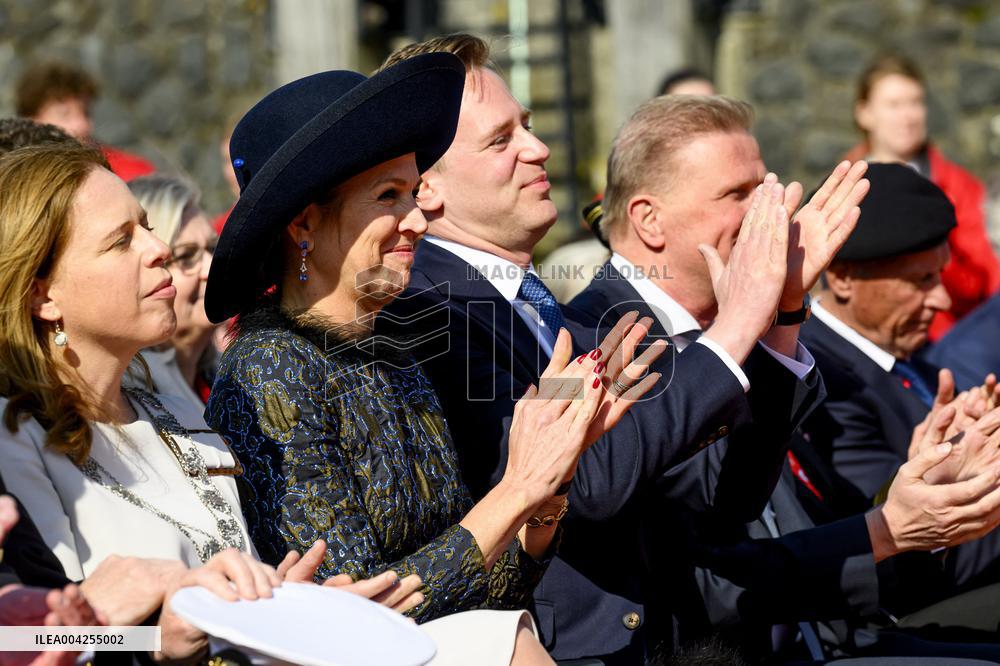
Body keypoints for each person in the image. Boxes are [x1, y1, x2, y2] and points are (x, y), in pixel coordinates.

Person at [372, 34, 859, 663]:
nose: (539, 149)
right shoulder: (430, 310)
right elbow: (581, 485)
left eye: (529, 126)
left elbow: (721, 501)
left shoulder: (543, 308)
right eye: (502, 140)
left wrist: (780, 315)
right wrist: (739, 322)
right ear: (426, 185)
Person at [204, 53, 658, 666]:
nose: (417, 218)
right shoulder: (268, 369)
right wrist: (519, 483)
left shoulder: (395, 347)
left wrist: (552, 479)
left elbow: (489, 591)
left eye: (414, 192)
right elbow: (354, 620)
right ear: (306, 224)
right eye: (389, 196)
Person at [570, 95, 1000, 662]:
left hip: (826, 634)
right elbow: (716, 559)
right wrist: (889, 525)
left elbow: (750, 502)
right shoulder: (589, 339)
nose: (767, 214)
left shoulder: (741, 332)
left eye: (767, 190)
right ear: (650, 219)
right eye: (738, 194)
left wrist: (927, 481)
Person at [844, 54, 1000, 340]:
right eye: (894, 104)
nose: (909, 115)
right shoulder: (843, 184)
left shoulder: (959, 186)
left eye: (915, 102)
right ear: (864, 113)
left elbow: (985, 281)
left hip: (942, 340)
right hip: (863, 344)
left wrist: (934, 249)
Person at [127, 174, 219, 407]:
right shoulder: (132, 398)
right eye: (187, 256)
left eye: (212, 248)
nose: (211, 269)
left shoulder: (223, 377)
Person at [14, 60, 155, 181]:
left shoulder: (131, 172)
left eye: (86, 112)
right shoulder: (12, 180)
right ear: (31, 121)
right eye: (64, 114)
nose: (82, 125)